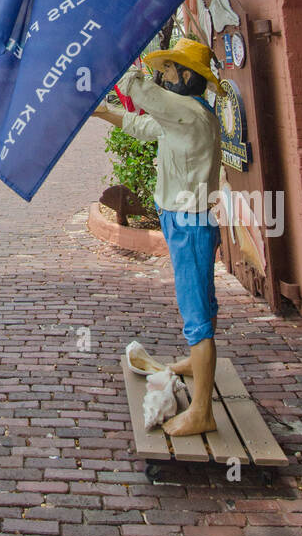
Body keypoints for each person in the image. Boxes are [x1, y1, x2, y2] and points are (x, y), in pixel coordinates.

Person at [92, 38, 222, 437]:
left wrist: (119, 49)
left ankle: (202, 413)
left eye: (168, 70)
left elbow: (141, 91)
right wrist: (101, 112)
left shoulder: (189, 112)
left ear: (187, 76)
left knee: (196, 313)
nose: (163, 76)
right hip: (180, 220)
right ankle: (195, 363)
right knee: (199, 301)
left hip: (190, 223)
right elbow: (141, 126)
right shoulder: (180, 115)